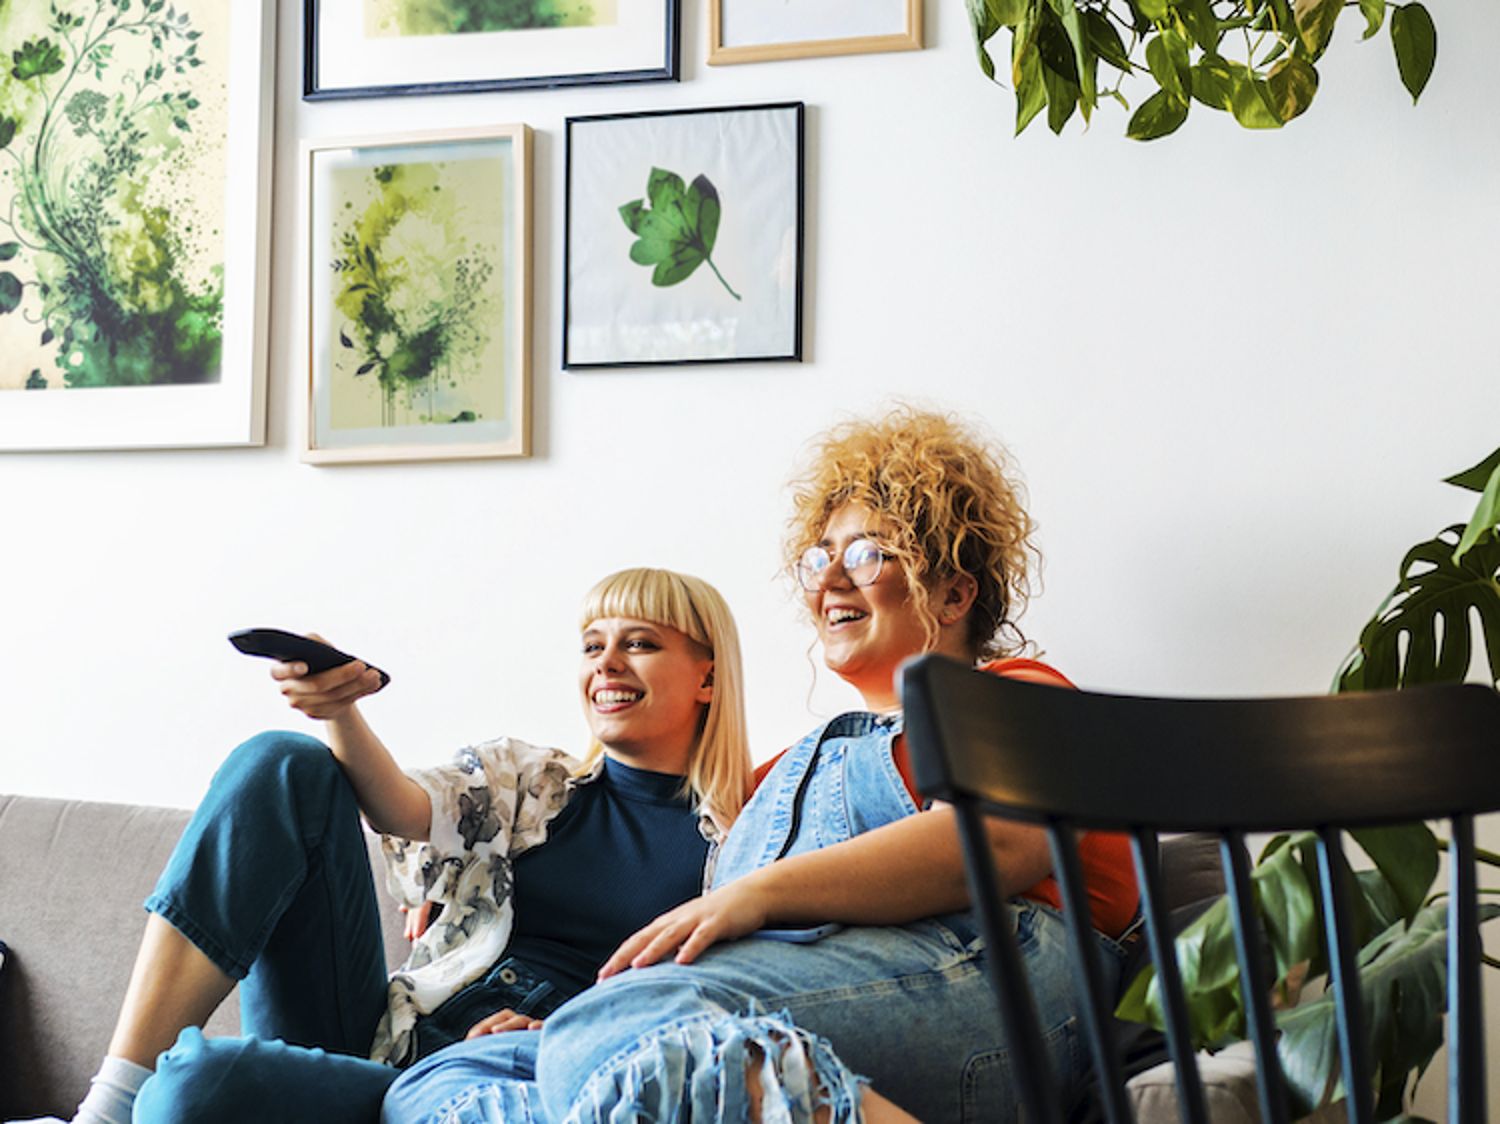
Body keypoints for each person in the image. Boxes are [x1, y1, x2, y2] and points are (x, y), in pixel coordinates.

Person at [517, 406, 1142, 1123]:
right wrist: (478, 881)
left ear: (953, 592)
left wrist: (755, 896)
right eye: (819, 557)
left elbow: (999, 842)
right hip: (809, 1007)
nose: (830, 580)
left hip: (998, 979)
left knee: (608, 1033)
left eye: (868, 553)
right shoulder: (774, 776)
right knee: (476, 1070)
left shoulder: (1017, 690)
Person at [28, 567, 750, 1124]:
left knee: (195, 1085)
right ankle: (106, 1107)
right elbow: (404, 808)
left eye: (641, 644)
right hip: (379, 1045)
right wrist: (340, 709)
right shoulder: (534, 781)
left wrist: (558, 1035)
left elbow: (724, 1012)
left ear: (709, 678)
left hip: (492, 1086)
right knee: (285, 760)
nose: (608, 664)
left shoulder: (747, 849)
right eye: (595, 646)